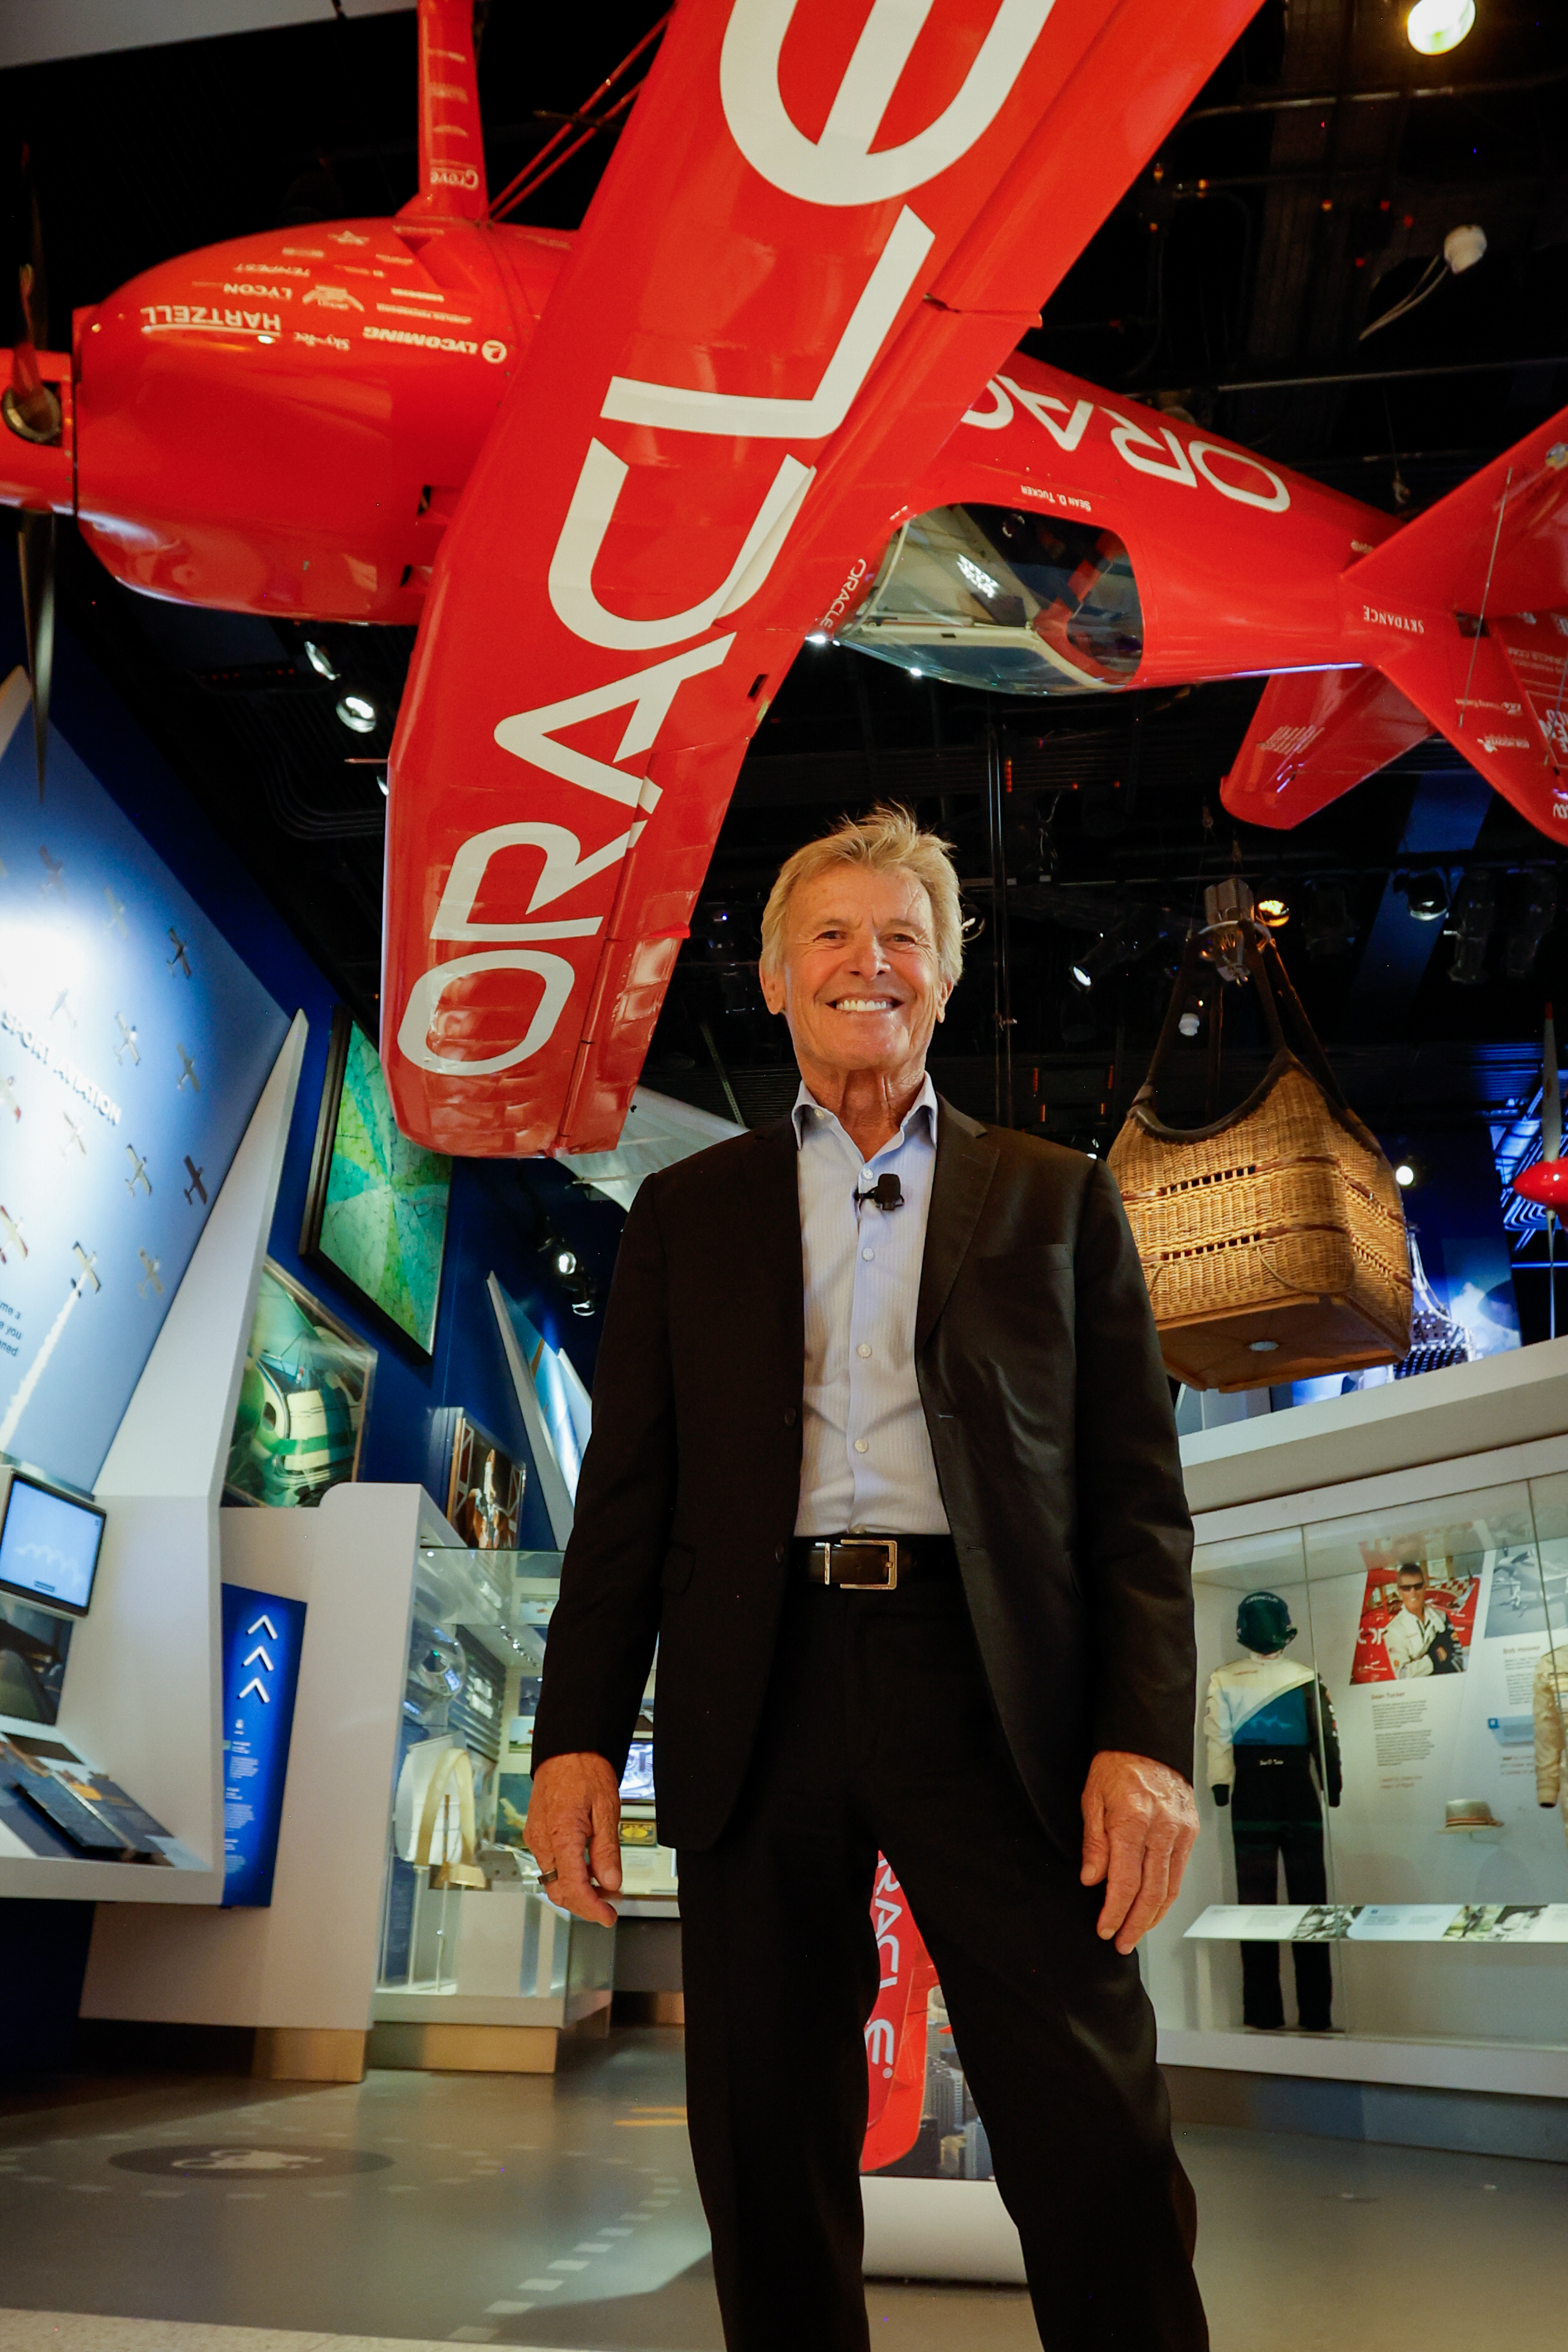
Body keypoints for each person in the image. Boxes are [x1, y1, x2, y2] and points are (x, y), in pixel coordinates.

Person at [526, 807, 1205, 2352]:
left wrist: (1144, 1739)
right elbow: (623, 1502)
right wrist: (572, 1735)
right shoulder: (686, 1217)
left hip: (995, 1689)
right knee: (763, 2132)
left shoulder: (1053, 1198)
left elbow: (1133, 1502)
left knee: (1089, 2118)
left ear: (944, 981)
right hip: (753, 1687)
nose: (867, 961)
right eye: (830, 934)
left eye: (903, 935)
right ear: (773, 981)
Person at [1204, 1591, 1341, 2032]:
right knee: (1307, 1902)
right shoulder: (1304, 1675)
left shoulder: (1225, 1678)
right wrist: (1331, 1784)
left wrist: (1221, 1784)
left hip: (1253, 1795)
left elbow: (1217, 1737)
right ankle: (1315, 2015)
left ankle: (1265, 2016)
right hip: (1296, 1791)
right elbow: (1326, 1740)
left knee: (1258, 1905)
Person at [1382, 1561, 1463, 1678]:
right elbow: (1402, 1675)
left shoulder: (1442, 1617)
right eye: (1407, 1588)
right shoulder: (1394, 1631)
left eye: (1418, 1587)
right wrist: (1433, 1659)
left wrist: (1418, 1666)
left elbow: (1458, 1657)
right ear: (1400, 1592)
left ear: (1424, 1587)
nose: (1413, 1593)